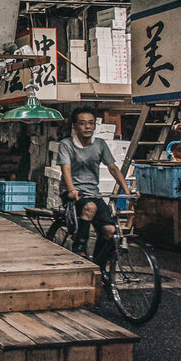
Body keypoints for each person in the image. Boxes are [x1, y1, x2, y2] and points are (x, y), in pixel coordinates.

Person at [56, 107, 132, 256]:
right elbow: (66, 169)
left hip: (93, 193)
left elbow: (113, 168)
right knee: (90, 207)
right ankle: (79, 249)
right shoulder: (66, 144)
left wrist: (127, 191)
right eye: (83, 123)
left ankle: (99, 265)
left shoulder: (100, 144)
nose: (87, 126)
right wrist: (71, 190)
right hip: (73, 193)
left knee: (110, 231)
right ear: (74, 126)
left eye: (91, 123)